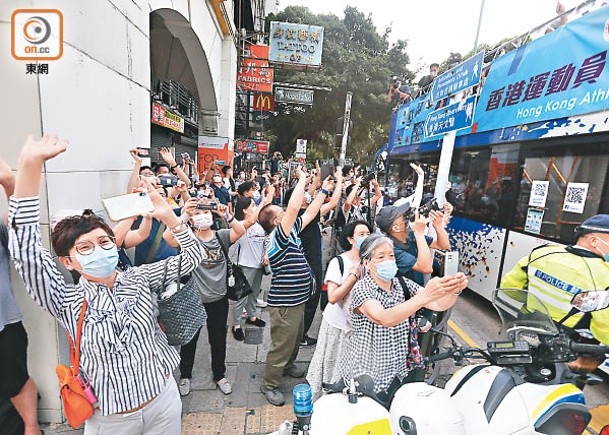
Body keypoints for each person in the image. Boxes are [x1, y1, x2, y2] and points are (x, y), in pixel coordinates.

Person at [9, 134, 205, 433]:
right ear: (68, 262)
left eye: (104, 242)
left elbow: (193, 256)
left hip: (162, 401)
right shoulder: (66, 300)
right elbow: (27, 253)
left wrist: (171, 218)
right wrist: (29, 168)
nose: (99, 250)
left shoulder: (139, 278)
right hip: (110, 418)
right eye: (85, 248)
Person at [339, 233, 466, 405]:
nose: (388, 260)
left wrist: (454, 290)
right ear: (367, 263)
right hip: (366, 375)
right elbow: (384, 318)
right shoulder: (362, 289)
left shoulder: (402, 284)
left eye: (391, 255)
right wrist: (425, 297)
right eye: (381, 257)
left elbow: (438, 304)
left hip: (397, 373)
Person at [257, 167, 335, 406]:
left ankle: (288, 366)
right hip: (285, 305)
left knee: (293, 340)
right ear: (277, 221)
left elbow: (310, 213)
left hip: (297, 300)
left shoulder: (290, 234)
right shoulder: (278, 237)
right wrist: (302, 179)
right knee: (282, 345)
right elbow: (293, 208)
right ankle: (270, 384)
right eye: (282, 213)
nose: (289, 212)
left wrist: (323, 191)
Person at [164, 198, 245, 397]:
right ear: (191, 220)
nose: (202, 217)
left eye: (205, 212)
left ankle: (220, 375)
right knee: (189, 340)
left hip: (219, 299)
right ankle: (185, 375)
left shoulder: (221, 236)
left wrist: (225, 213)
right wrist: (184, 213)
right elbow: (168, 237)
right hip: (193, 299)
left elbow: (240, 231)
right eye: (197, 214)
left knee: (218, 339)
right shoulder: (188, 239)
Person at [501, 215, 609, 347]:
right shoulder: (604, 274)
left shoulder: (543, 253)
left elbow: (510, 287)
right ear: (593, 241)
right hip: (564, 346)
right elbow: (604, 327)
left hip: (526, 327)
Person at [306, 220, 371, 400]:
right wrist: (353, 276)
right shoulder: (339, 262)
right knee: (330, 365)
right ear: (351, 239)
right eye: (361, 234)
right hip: (337, 326)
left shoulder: (372, 262)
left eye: (368, 234)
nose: (366, 238)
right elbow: (333, 297)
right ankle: (326, 400)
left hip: (360, 328)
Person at [0, 158, 41, 435]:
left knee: (14, 380)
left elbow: (22, 235)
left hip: (5, 324)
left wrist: (10, 184)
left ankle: (31, 427)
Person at [296, 166, 343, 346]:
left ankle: (300, 333)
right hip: (310, 266)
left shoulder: (301, 215)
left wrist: (317, 178)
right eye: (306, 197)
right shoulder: (306, 216)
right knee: (310, 303)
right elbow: (332, 203)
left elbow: (309, 196)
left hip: (305, 264)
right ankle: (301, 336)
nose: (310, 196)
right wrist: (338, 181)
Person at [230, 189, 274, 341]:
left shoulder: (259, 225)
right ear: (244, 210)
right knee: (241, 296)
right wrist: (263, 201)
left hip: (258, 265)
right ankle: (236, 325)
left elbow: (267, 240)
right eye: (252, 205)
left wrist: (266, 254)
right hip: (245, 265)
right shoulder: (241, 225)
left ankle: (252, 316)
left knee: (255, 293)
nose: (255, 207)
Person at [376, 201, 450, 285]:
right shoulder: (391, 248)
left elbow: (443, 245)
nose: (407, 217)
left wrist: (438, 227)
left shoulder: (409, 233)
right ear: (396, 228)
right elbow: (427, 269)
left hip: (417, 289)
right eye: (403, 217)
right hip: (404, 294)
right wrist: (419, 233)